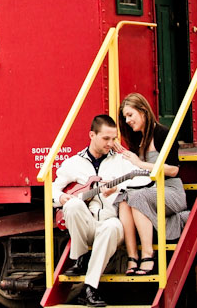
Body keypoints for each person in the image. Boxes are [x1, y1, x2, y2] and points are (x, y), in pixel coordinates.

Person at [53, 114, 139, 307]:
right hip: (87, 225)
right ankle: (80, 257)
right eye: (106, 138)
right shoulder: (74, 162)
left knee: (111, 226)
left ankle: (90, 287)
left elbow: (142, 182)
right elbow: (52, 187)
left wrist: (118, 188)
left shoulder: (121, 161)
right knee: (73, 204)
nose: (111, 143)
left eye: (113, 138)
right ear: (92, 135)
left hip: (112, 224)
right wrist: (60, 197)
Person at [116, 93, 190, 276]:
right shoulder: (136, 138)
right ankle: (132, 257)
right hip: (147, 189)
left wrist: (139, 163)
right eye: (125, 117)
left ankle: (148, 254)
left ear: (143, 111)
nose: (127, 121)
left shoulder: (162, 133)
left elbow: (174, 170)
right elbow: (137, 173)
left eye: (130, 115)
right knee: (123, 199)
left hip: (170, 190)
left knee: (137, 196)